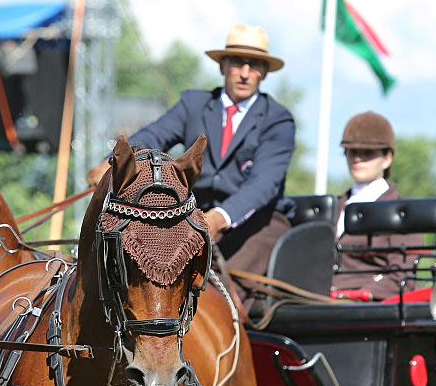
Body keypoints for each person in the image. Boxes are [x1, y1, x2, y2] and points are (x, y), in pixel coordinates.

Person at [87, 24, 296, 304]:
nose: (245, 73)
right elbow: (153, 136)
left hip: (256, 223)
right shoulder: (193, 104)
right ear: (223, 66)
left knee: (217, 294)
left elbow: (264, 184)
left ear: (265, 72)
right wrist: (112, 163)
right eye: (237, 63)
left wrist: (219, 218)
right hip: (193, 216)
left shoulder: (278, 120)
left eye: (254, 65)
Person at [331, 111, 423, 300]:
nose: (358, 159)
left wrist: (361, 294)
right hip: (319, 302)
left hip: (369, 308)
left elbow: (401, 277)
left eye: (367, 153)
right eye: (353, 152)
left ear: (387, 158)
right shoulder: (333, 208)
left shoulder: (403, 214)